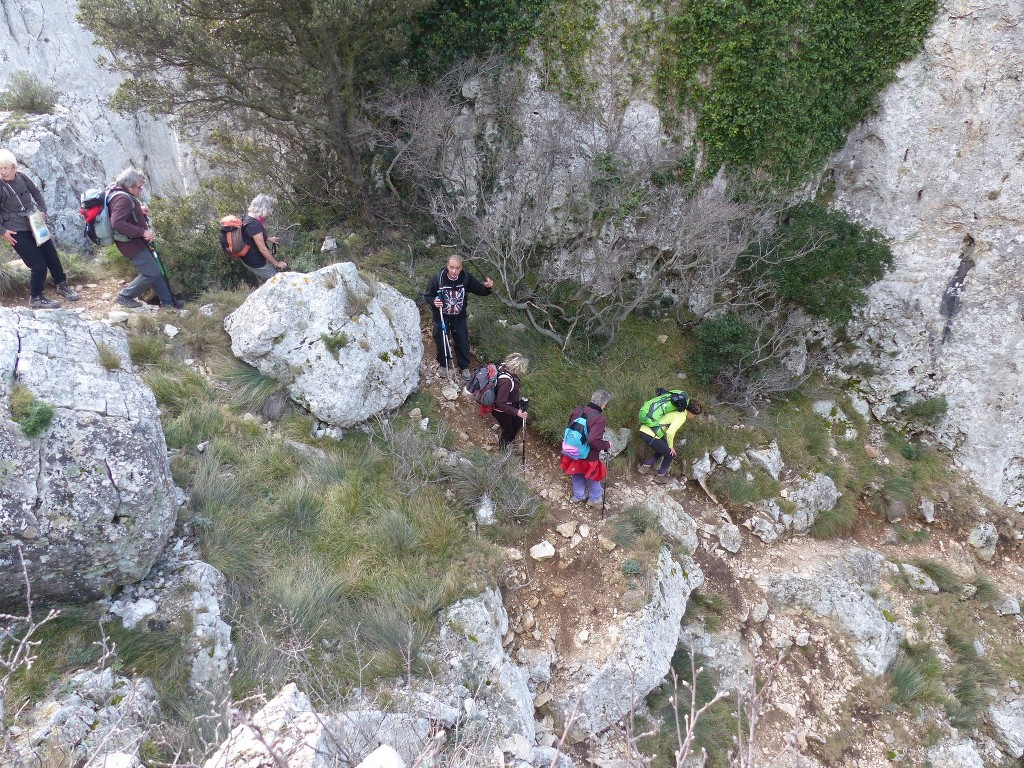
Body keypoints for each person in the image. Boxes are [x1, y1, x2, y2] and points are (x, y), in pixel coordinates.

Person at [0, 150, 78, 309]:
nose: (2, 171)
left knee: (51, 254)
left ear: (15, 167)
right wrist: (3, 231)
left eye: (6, 168)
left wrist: (42, 209)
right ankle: (36, 296)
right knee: (38, 264)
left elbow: (35, 192)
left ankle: (61, 285)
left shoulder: (22, 177)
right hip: (15, 231)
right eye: (0, 168)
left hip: (34, 223)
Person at [110, 167, 183, 310]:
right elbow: (117, 223)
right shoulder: (123, 199)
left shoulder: (119, 192)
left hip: (136, 241)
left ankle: (168, 304)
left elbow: (126, 214)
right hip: (132, 244)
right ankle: (124, 296)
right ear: (130, 187)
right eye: (139, 187)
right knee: (151, 273)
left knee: (156, 270)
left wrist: (138, 210)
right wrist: (142, 232)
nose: (141, 190)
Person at [422, 255, 493, 380]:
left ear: (461, 268)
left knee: (462, 339)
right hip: (441, 316)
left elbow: (479, 290)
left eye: (457, 268)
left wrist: (487, 288)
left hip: (459, 316)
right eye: (451, 267)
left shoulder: (466, 278)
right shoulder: (437, 278)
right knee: (441, 339)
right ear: (447, 266)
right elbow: (427, 296)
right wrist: (434, 301)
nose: (454, 271)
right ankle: (444, 364)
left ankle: (464, 366)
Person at [560, 390, 612, 506]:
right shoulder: (599, 418)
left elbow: (569, 426)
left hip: (573, 450)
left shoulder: (579, 409)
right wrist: (606, 445)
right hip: (588, 454)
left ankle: (579, 496)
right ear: (603, 404)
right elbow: (593, 440)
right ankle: (595, 498)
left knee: (577, 472)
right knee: (593, 474)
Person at [638, 393, 702, 484]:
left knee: (664, 449)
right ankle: (660, 477)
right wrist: (671, 447)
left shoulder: (677, 411)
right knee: (671, 454)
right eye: (694, 416)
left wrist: (669, 446)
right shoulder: (681, 416)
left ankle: (645, 468)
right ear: (691, 413)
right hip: (651, 435)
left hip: (646, 430)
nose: (694, 417)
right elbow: (670, 432)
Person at [238, 194, 288, 283]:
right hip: (254, 260)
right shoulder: (253, 225)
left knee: (269, 279)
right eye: (269, 209)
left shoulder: (248, 217)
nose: (270, 212)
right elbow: (263, 249)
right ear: (264, 209)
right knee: (275, 280)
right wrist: (277, 263)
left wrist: (269, 238)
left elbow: (252, 235)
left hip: (248, 257)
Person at [491, 353, 528, 450]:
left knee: (518, 422)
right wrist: (517, 412)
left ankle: (510, 441)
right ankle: (502, 449)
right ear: (515, 368)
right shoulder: (506, 382)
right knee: (507, 430)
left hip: (510, 405)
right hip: (500, 410)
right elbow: (500, 403)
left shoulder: (503, 367)